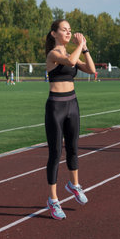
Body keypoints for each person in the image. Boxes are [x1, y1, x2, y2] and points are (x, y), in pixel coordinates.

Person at [44, 19, 96, 220]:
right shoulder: (54, 54)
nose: (68, 32)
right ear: (53, 34)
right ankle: (53, 200)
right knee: (55, 153)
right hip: (56, 107)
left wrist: (85, 48)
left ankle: (74, 185)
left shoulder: (69, 53)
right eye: (64, 30)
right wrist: (79, 46)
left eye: (70, 30)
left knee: (73, 148)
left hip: (72, 105)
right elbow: (72, 62)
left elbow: (91, 70)